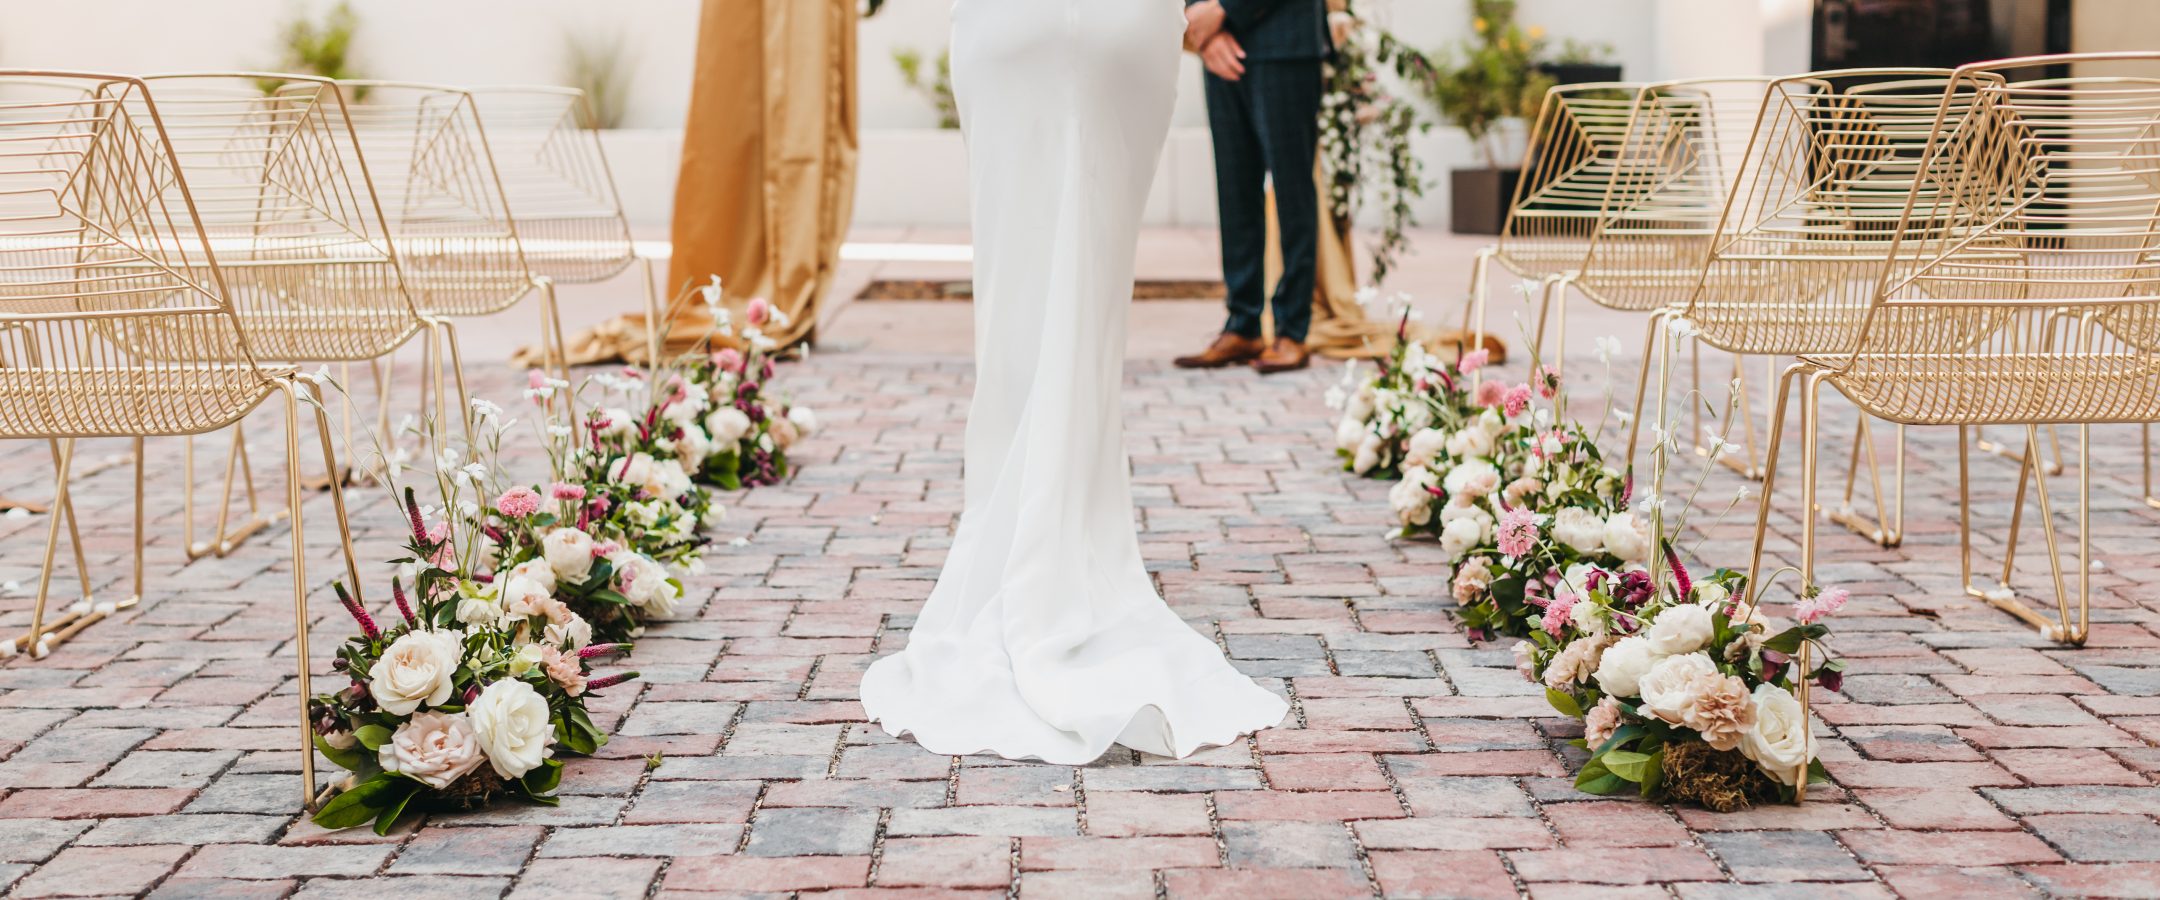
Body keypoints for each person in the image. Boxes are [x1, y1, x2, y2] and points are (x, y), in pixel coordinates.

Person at [858, 0, 1289, 763]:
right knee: (1088, 306)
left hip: (1011, 28)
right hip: (1124, 30)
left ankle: (1023, 527)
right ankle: (1069, 535)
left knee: (1017, 299)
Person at [1173, 0, 1331, 374]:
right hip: (1218, 46)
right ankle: (1242, 323)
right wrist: (1205, 33)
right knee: (1234, 191)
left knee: (1293, 193)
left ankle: (1292, 330)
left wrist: (1225, 9)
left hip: (1285, 42)